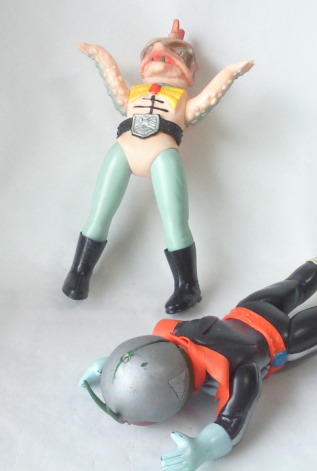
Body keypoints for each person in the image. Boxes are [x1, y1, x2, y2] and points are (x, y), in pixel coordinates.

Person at [79, 237, 317, 471]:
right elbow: (141, 352)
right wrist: (111, 367)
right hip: (250, 307)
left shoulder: (238, 372)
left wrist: (204, 448)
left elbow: (234, 421)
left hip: (284, 339)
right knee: (296, 283)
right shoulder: (176, 332)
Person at [62, 19, 254, 313]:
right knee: (99, 214)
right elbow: (113, 81)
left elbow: (208, 98)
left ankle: (188, 286)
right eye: (153, 54)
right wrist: (99, 54)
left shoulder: (183, 101)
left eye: (170, 55)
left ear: (189, 71)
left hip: (163, 152)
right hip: (123, 149)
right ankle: (78, 273)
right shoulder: (134, 95)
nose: (160, 56)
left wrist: (230, 72)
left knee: (175, 222)